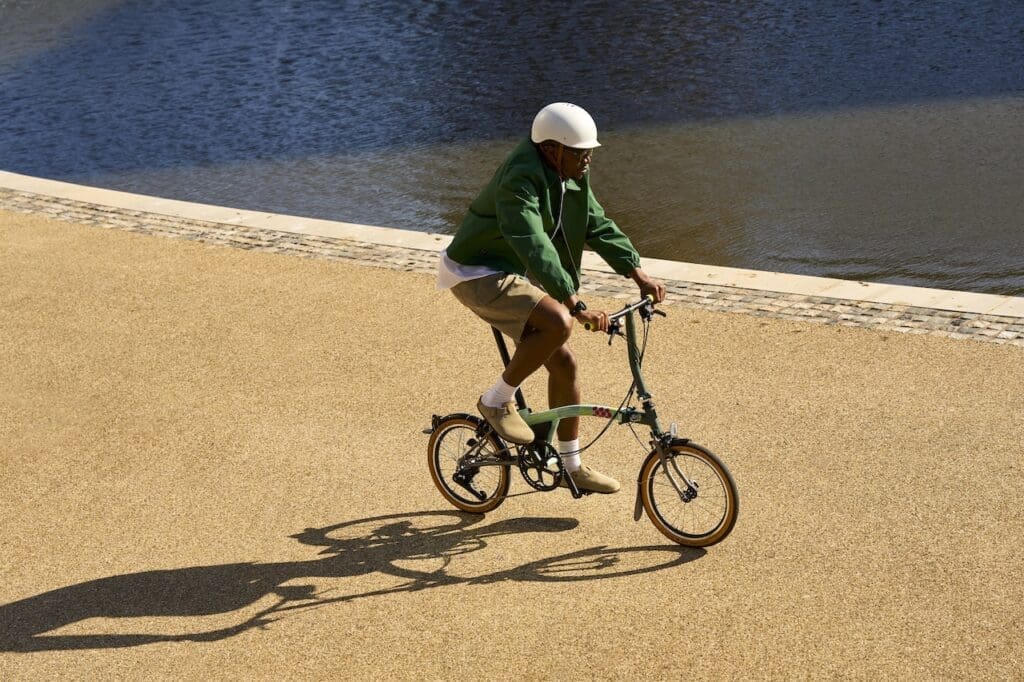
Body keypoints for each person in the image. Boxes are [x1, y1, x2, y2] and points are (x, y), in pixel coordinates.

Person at [437, 102, 666, 494]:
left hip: (513, 272)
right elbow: (533, 243)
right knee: (558, 322)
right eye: (580, 152)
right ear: (551, 149)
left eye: (589, 151)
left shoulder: (572, 173)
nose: (588, 159)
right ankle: (496, 400)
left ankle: (571, 466)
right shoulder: (519, 179)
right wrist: (575, 305)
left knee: (565, 365)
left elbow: (596, 223)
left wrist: (637, 272)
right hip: (476, 272)